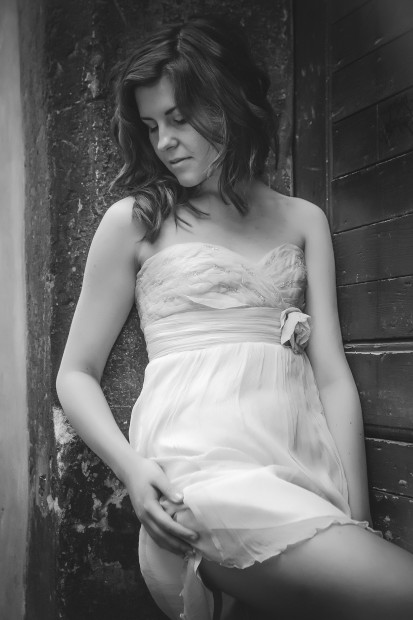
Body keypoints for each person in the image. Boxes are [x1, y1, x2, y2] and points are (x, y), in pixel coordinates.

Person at [56, 16, 413, 620]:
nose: (163, 142)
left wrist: (358, 518)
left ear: (227, 102)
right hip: (198, 485)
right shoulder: (137, 221)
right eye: (151, 126)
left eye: (177, 118)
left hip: (306, 478)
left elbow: (332, 376)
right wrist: (133, 472)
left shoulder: (303, 219)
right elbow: (75, 373)